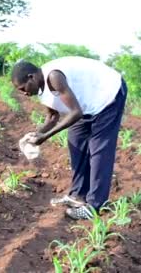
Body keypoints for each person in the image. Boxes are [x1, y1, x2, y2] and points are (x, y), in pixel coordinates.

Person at [11, 56, 128, 220]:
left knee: (99, 149)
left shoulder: (53, 77)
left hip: (108, 94)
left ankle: (95, 205)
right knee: (76, 143)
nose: (23, 93)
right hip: (86, 102)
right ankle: (77, 196)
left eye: (23, 88)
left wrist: (45, 137)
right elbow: (52, 117)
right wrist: (37, 133)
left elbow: (75, 113)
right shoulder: (40, 86)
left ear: (31, 77)